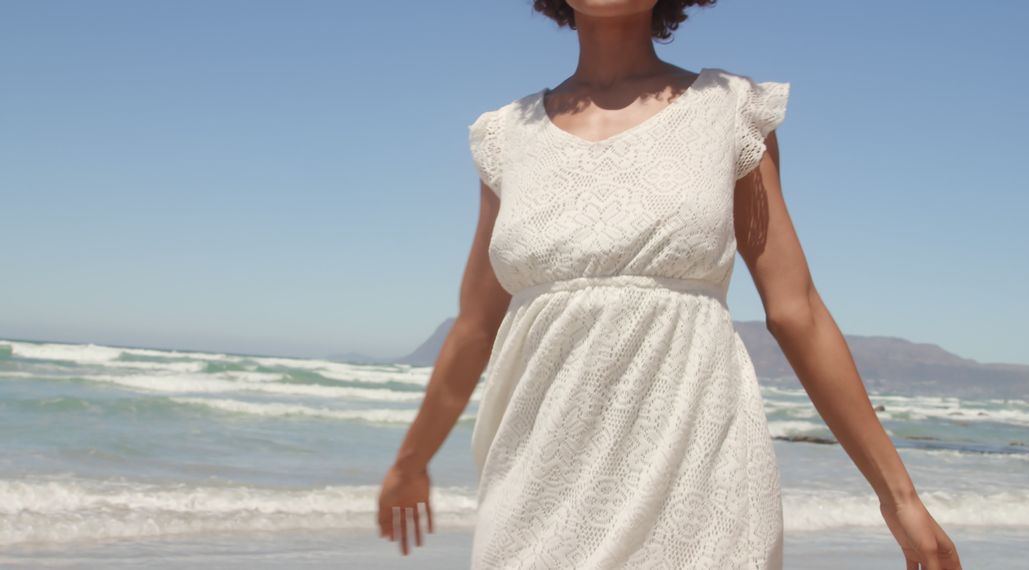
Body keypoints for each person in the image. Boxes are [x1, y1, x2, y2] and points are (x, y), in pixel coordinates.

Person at [377, 1, 964, 568]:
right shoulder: (507, 136)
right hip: (536, 481)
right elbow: (477, 326)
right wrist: (411, 462)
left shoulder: (730, 110)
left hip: (698, 475)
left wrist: (899, 496)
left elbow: (796, 310)